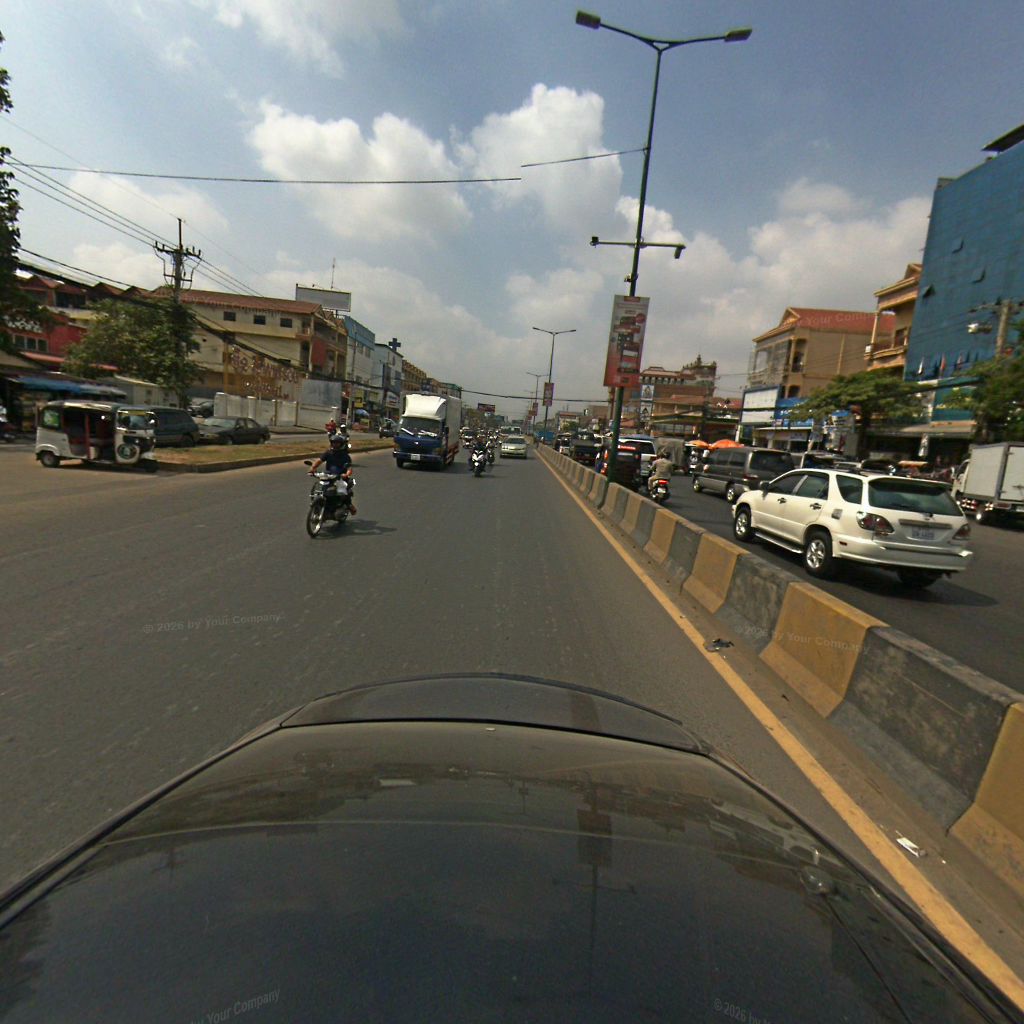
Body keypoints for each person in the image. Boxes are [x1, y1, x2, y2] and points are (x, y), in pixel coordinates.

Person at [308, 433, 356, 514]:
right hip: (328, 476)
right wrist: (312, 468)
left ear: (341, 444)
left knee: (342, 491)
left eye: (337, 443)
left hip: (340, 477)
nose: (335, 445)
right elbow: (319, 461)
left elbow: (349, 468)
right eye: (333, 443)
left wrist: (346, 474)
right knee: (319, 488)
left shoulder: (345, 456)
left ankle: (349, 505)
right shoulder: (328, 453)